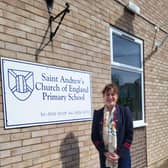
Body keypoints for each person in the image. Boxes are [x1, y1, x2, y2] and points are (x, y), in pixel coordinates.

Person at [91, 83, 133, 168]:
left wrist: (119, 154)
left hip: (122, 157)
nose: (110, 97)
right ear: (103, 96)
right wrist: (104, 152)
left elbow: (129, 136)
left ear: (117, 96)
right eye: (107, 94)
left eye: (113, 94)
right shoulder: (98, 114)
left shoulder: (125, 112)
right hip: (105, 157)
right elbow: (94, 137)